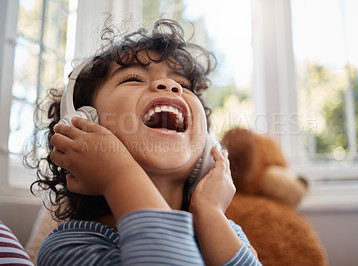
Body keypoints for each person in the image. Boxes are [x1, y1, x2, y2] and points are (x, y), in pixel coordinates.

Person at [27, 18, 260, 265]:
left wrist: (210, 213)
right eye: (133, 79)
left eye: (183, 84)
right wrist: (118, 175)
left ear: (205, 146)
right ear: (83, 122)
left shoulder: (227, 233)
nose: (170, 85)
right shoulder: (69, 247)